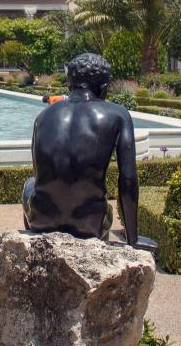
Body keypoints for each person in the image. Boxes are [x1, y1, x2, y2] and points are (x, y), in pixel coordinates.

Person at [22, 53, 141, 247]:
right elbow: (128, 178)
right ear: (104, 87)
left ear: (69, 83)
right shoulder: (118, 115)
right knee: (105, 208)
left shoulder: (43, 116)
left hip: (42, 218)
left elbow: (40, 175)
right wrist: (132, 239)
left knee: (30, 183)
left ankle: (35, 246)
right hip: (90, 223)